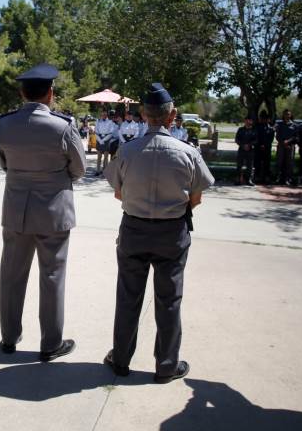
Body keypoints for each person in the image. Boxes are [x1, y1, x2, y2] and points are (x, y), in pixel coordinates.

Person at [103, 83, 215, 383]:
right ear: (172, 115)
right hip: (172, 232)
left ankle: (121, 359)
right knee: (169, 300)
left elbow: (118, 194)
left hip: (134, 229)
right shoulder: (187, 152)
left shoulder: (127, 150)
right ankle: (166, 365)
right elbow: (197, 197)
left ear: (143, 114)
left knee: (128, 297)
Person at [0, 63, 87, 361]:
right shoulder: (63, 125)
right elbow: (80, 169)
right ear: (50, 93)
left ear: (22, 93)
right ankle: (50, 344)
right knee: (52, 277)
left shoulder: (5, 124)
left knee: (11, 275)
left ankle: (9, 337)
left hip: (17, 209)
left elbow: (5, 162)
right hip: (53, 211)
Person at [275, 110, 298, 185]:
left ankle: (288, 179)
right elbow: (277, 136)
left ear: (290, 115)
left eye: (288, 114)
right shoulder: (280, 125)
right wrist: (283, 142)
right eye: (285, 114)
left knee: (289, 163)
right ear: (283, 115)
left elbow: (296, 137)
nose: (287, 116)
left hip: (290, 146)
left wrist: (288, 142)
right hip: (281, 146)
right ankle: (278, 178)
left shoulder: (294, 125)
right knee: (279, 162)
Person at [235, 116, 257, 185]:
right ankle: (238, 179)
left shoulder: (254, 130)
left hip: (250, 150)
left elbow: (256, 140)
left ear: (252, 121)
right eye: (247, 120)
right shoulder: (240, 129)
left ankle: (249, 180)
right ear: (245, 121)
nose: (248, 122)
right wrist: (243, 145)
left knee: (250, 166)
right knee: (239, 165)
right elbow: (237, 139)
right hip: (241, 149)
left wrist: (249, 145)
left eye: (250, 120)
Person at [254, 111, 275, 183]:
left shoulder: (271, 129)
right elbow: (256, 137)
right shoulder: (257, 127)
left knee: (266, 163)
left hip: (267, 148)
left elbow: (271, 139)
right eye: (262, 118)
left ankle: (266, 177)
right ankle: (256, 177)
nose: (263, 120)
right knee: (257, 163)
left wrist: (265, 145)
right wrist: (260, 145)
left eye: (265, 118)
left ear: (268, 119)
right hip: (258, 148)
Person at [94, 110, 116, 174]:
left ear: (107, 115)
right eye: (102, 114)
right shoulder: (98, 122)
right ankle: (98, 170)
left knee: (106, 157)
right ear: (101, 114)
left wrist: (103, 140)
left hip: (106, 139)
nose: (103, 116)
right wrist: (99, 140)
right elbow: (96, 131)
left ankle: (105, 171)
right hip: (99, 138)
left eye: (105, 114)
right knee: (99, 156)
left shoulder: (110, 122)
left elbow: (111, 133)